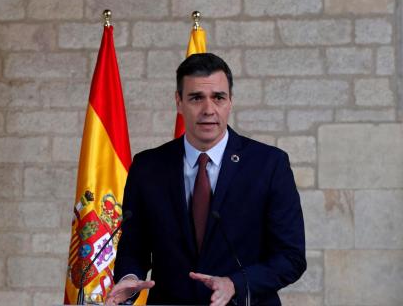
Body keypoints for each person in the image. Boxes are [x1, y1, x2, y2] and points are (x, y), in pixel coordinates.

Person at [107, 53, 306, 305]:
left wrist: (236, 283)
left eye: (218, 98)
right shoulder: (148, 167)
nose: (208, 109)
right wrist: (128, 278)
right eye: (196, 98)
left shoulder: (269, 164)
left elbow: (291, 257)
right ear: (179, 102)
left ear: (230, 101)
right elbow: (133, 247)